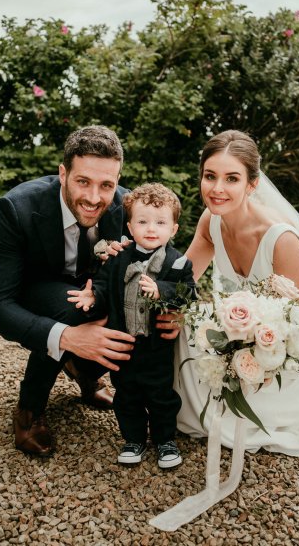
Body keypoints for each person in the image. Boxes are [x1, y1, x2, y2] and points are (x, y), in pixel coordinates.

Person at [174, 129, 299, 469]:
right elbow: (182, 280)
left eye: (231, 178)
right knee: (179, 328)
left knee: (248, 416)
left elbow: (295, 325)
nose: (217, 189)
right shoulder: (211, 220)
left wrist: (250, 355)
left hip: (275, 354)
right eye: (210, 176)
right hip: (233, 334)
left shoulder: (280, 239)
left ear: (252, 184)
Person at [0, 125, 140, 457]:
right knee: (77, 310)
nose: (94, 198)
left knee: (128, 309)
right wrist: (68, 338)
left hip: (90, 293)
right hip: (35, 291)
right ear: (63, 173)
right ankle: (29, 410)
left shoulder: (127, 208)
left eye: (106, 185)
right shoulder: (17, 208)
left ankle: (85, 372)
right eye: (83, 181)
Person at [67, 183, 197, 468]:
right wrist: (93, 295)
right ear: (130, 226)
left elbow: (190, 292)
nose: (151, 228)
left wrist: (162, 289)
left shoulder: (178, 264)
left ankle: (165, 440)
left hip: (157, 347)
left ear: (174, 229)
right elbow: (103, 285)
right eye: (142, 221)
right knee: (126, 395)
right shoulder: (118, 258)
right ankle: (133, 439)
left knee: (161, 395)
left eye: (161, 222)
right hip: (123, 344)